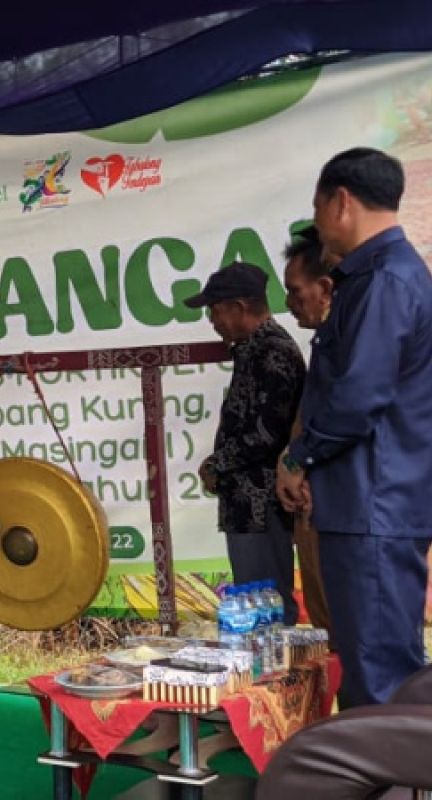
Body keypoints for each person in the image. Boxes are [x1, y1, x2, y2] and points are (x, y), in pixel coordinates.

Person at [277, 147, 432, 708]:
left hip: (375, 504)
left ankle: (388, 789)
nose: (318, 227)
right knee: (373, 665)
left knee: (378, 677)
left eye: (317, 210)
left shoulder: (387, 281)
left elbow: (359, 396)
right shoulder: (375, 277)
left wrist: (299, 457)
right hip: (368, 503)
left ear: (340, 202)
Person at [187, 262, 304, 624]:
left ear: (239, 308)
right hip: (246, 504)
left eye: (215, 310)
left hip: (262, 503)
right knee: (254, 603)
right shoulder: (251, 350)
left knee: (265, 602)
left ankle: (280, 678)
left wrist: (216, 464)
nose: (211, 320)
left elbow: (268, 434)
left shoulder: (273, 352)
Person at [280, 227, 336, 640]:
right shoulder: (324, 342)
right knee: (329, 634)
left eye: (296, 292)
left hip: (341, 507)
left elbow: (347, 417)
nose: (290, 303)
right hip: (313, 506)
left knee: (358, 640)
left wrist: (297, 460)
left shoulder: (353, 340)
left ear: (326, 288)